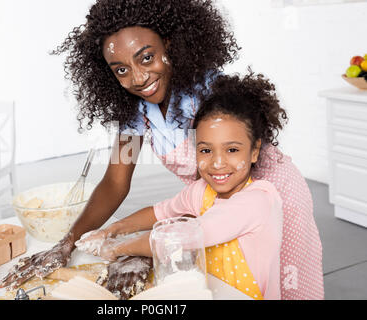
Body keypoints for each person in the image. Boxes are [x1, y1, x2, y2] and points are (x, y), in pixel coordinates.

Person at [0, 0, 323, 300]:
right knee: (229, 280)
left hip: (269, 195)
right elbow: (115, 182)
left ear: (169, 44)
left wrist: (136, 245)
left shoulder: (209, 94)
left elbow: (224, 179)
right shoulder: (137, 115)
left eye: (146, 57)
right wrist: (68, 242)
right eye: (121, 69)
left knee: (281, 282)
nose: (139, 78)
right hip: (215, 199)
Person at [75, 72, 285, 300]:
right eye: (205, 150)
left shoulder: (256, 202)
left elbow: (178, 239)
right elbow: (158, 213)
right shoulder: (202, 191)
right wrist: (111, 230)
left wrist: (115, 248)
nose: (217, 163)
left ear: (254, 151)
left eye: (232, 150)